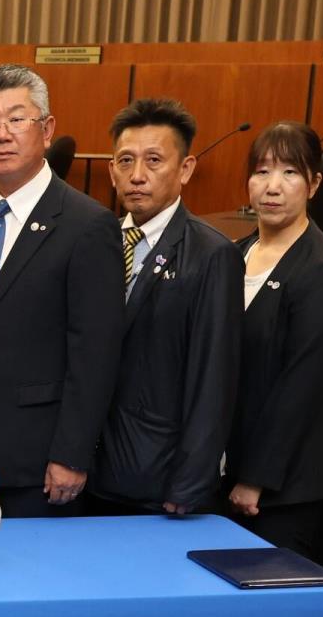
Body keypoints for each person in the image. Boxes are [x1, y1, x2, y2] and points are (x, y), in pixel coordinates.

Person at [0, 64, 122, 517]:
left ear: (47, 129)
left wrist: (72, 453)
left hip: (36, 458)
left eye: (17, 119)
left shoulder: (87, 225)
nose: (2, 133)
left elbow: (96, 353)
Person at [90, 98, 242, 516]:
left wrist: (191, 482)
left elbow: (215, 378)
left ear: (186, 169)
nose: (137, 176)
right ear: (111, 170)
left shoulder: (211, 254)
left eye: (154, 160)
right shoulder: (92, 241)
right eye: (126, 161)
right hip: (86, 469)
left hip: (157, 476)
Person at [222, 122, 323, 558]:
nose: (272, 187)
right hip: (225, 467)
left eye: (290, 173)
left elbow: (303, 384)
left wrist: (256, 477)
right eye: (261, 171)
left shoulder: (321, 270)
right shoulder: (234, 253)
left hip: (280, 486)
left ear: (314, 183)